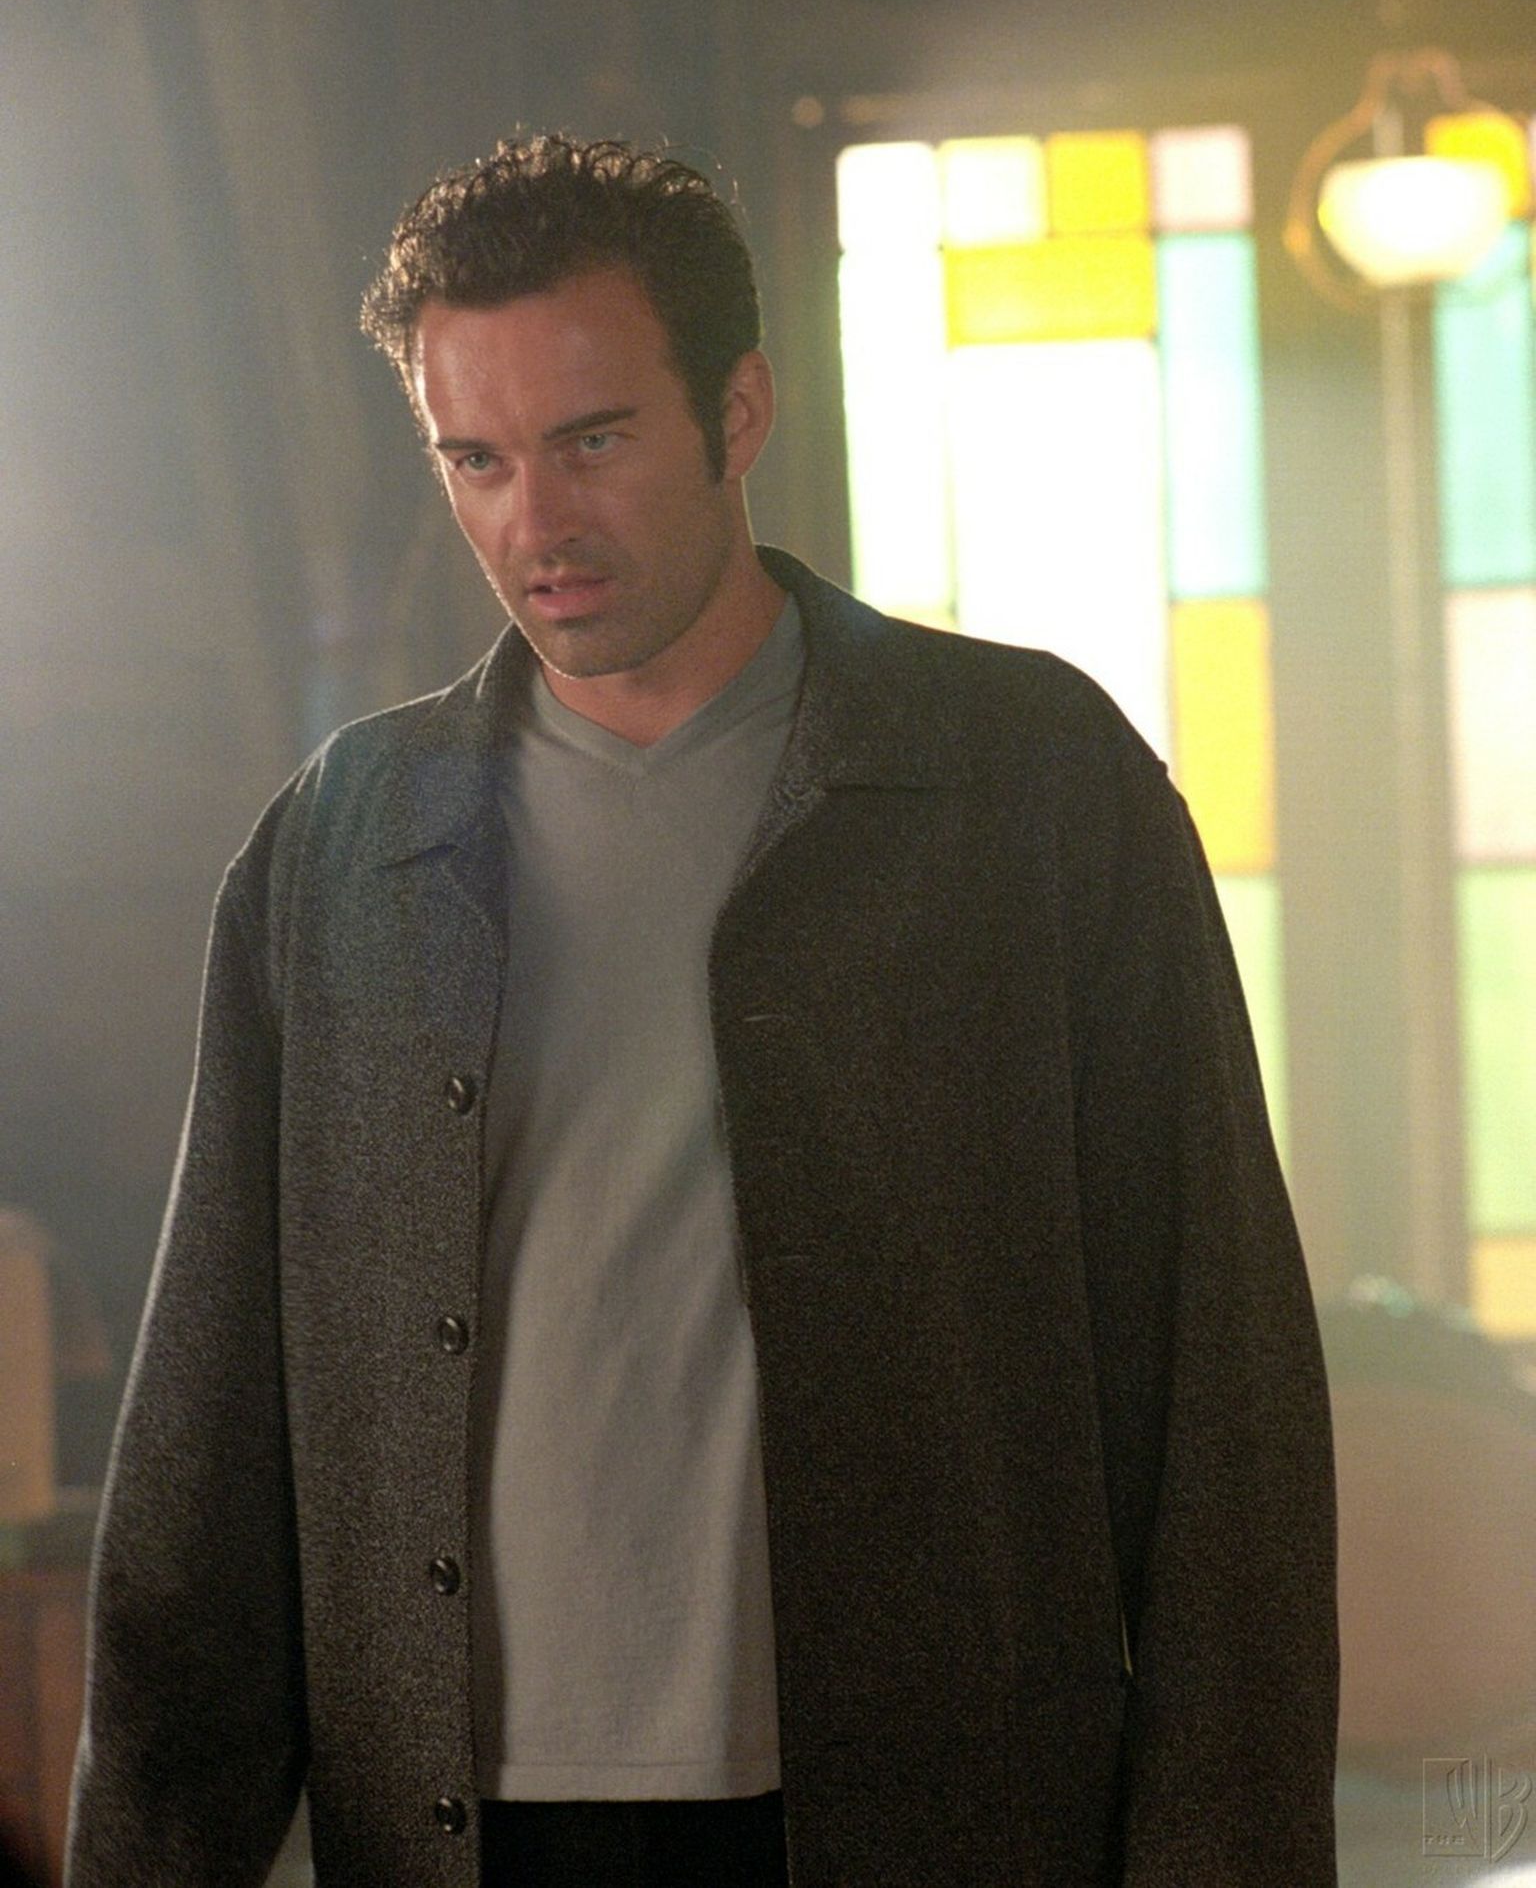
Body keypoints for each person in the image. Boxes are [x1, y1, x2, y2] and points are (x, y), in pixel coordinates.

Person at [66, 135, 1338, 1887]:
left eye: (592, 440)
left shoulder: (1027, 786)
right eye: (478, 459)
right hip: (468, 1834)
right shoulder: (345, 847)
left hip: (934, 1817)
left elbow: (1223, 1399)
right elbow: (206, 1456)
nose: (536, 523)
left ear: (737, 412)